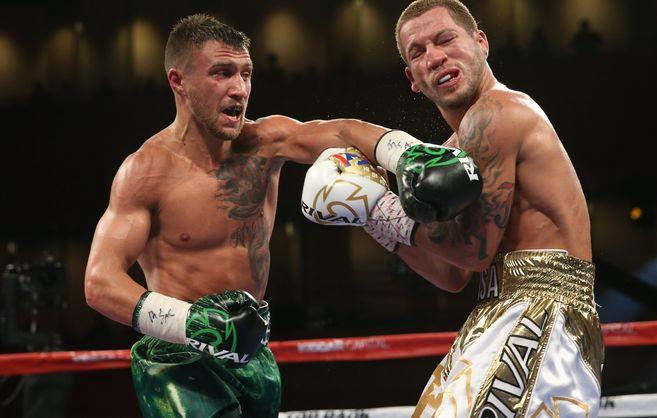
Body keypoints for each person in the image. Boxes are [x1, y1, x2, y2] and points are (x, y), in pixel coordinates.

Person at [83, 13, 481, 418]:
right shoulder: (146, 172)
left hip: (252, 351)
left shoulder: (263, 143)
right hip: (179, 355)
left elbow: (342, 131)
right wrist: (195, 324)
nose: (239, 89)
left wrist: (408, 154)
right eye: (222, 73)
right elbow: (100, 282)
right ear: (178, 81)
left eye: (246, 74)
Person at [301, 0, 604, 416]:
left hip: (541, 313)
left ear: (481, 42)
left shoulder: (498, 112)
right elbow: (452, 273)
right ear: (412, 78)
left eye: (445, 39)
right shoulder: (455, 150)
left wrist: (377, 204)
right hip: (502, 309)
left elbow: (470, 251)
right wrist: (370, 217)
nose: (434, 57)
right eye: (418, 52)